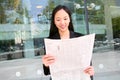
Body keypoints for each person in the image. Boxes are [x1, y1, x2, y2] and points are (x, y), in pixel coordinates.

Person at [42, 5, 94, 80]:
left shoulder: (81, 39)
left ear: (69, 19)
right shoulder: (50, 42)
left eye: (65, 18)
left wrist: (91, 71)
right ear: (54, 21)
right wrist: (46, 64)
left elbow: (87, 65)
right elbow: (48, 72)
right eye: (58, 19)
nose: (62, 22)